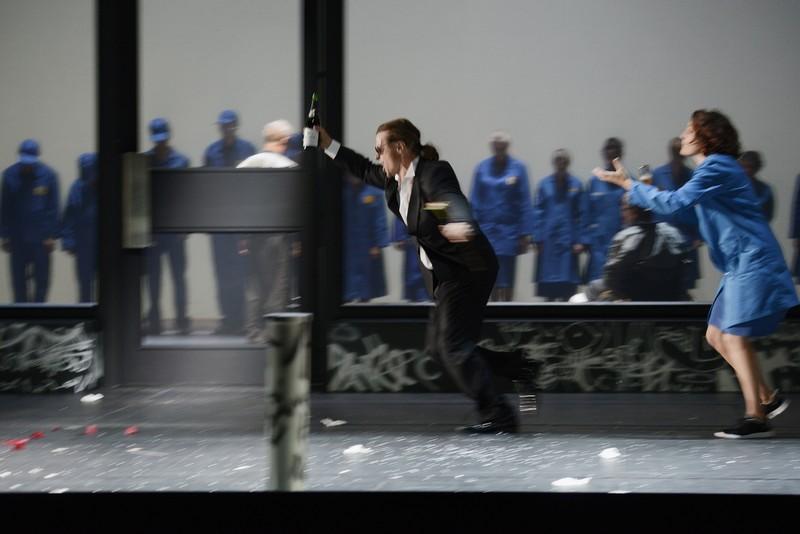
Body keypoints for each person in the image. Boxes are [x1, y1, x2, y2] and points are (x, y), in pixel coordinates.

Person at [314, 118, 539, 434]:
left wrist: (458, 222)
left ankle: (500, 415)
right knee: (441, 348)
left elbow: (447, 198)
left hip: (467, 268)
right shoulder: (394, 181)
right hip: (444, 273)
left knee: (454, 347)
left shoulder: (433, 173)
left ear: (400, 147)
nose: (377, 156)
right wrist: (327, 144)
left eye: (380, 149)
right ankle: (517, 366)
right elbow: (362, 168)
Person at [595, 109, 797, 438]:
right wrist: (644, 191)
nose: (683, 137)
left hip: (751, 260)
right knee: (716, 335)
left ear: (706, 137)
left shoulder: (717, 166)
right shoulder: (714, 169)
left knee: (733, 335)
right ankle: (767, 398)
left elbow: (675, 204)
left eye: (688, 131)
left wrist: (630, 184)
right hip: (738, 264)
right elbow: (685, 211)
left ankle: (756, 417)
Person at [237, 119, 298, 342]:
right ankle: (275, 333)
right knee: (278, 285)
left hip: (252, 233)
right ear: (284, 141)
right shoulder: (288, 167)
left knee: (254, 284)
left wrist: (242, 236)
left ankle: (253, 330)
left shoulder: (246, 165)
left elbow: (239, 203)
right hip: (277, 233)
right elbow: (292, 205)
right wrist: (296, 239)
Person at [203, 110, 256, 335]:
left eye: (229, 125)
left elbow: (254, 186)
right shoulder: (211, 152)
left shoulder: (247, 150)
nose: (226, 129)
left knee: (243, 273)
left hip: (241, 223)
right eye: (222, 126)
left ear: (235, 126)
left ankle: (243, 320)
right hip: (220, 225)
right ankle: (228, 319)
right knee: (222, 273)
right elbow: (205, 187)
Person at [583, 195, 688, 302]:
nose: (622, 214)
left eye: (624, 209)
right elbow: (683, 268)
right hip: (669, 294)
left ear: (634, 212)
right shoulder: (673, 233)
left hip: (634, 296)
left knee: (594, 287)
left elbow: (612, 277)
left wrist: (622, 296)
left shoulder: (625, 236)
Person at [468, 131, 534, 301]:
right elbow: (474, 201)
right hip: (486, 231)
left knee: (507, 277)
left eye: (502, 147)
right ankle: (491, 312)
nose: (499, 150)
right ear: (492, 148)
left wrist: (525, 234)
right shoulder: (481, 168)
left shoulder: (519, 168)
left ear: (507, 147)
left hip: (509, 233)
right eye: (496, 147)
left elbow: (525, 202)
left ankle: (507, 313)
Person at [144, 118, 191, 336]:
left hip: (175, 230)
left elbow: (188, 195)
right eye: (157, 139)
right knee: (153, 280)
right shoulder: (145, 161)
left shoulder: (181, 161)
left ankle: (182, 320)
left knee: (179, 278)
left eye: (163, 139)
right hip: (153, 231)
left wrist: (186, 227)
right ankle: (155, 321)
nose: (160, 143)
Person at [1, 139, 59, 303]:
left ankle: (39, 316)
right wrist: (4, 235)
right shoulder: (9, 175)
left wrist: (51, 235)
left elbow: (53, 208)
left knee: (42, 282)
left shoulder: (49, 176)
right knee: (18, 283)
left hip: (41, 240)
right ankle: (21, 316)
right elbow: (4, 208)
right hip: (17, 238)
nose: (27, 166)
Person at [651, 137, 702, 294]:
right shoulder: (658, 174)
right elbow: (650, 204)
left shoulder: (693, 176)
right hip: (662, 239)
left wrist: (700, 236)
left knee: (684, 286)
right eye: (675, 151)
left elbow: (702, 207)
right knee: (661, 284)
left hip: (687, 238)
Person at [532, 149, 585, 301]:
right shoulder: (544, 185)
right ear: (554, 162)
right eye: (558, 160)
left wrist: (580, 240)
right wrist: (537, 239)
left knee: (568, 288)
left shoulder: (576, 184)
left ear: (568, 162)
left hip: (569, 241)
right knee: (549, 287)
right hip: (548, 242)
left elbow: (582, 214)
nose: (561, 162)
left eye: (564, 160)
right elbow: (537, 212)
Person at [583, 137, 630, 284]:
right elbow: (586, 214)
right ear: (603, 154)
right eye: (608, 150)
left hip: (622, 244)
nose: (611, 153)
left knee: (620, 285)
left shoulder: (628, 182)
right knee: (598, 285)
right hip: (598, 245)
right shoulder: (594, 182)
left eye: (615, 150)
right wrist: (586, 240)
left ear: (620, 154)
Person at [342, 172, 389, 302]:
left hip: (368, 243)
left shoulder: (373, 192)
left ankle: (365, 297)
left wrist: (378, 244)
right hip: (348, 241)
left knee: (367, 272)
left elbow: (380, 219)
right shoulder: (343, 192)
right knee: (348, 271)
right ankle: (348, 296)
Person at [61, 153, 98, 303]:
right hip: (83, 246)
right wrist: (68, 242)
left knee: (108, 286)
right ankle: (86, 316)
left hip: (104, 247)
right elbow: (68, 217)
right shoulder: (76, 188)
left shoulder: (110, 187)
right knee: (84, 285)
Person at [391, 216, 429, 302]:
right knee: (414, 269)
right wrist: (399, 237)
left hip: (430, 238)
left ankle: (422, 295)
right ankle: (417, 295)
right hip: (413, 241)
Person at [738, 150, 774, 223]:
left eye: (751, 167)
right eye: (744, 167)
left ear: (757, 168)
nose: (747, 170)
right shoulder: (729, 187)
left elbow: (768, 215)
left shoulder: (765, 190)